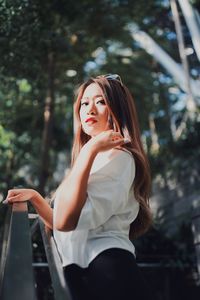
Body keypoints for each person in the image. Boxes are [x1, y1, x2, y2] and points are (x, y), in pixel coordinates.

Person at [4, 74, 155, 300]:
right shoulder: (90, 161)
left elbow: (66, 222)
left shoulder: (120, 158)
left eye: (101, 101)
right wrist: (36, 198)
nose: (89, 110)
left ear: (118, 110)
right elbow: (61, 221)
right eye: (85, 103)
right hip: (80, 272)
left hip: (109, 270)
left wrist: (88, 151)